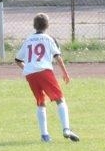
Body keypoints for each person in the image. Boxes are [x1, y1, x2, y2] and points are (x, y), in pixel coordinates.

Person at [15, 13, 80, 142]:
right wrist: (65, 73)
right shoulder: (48, 39)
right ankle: (66, 129)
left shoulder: (28, 40)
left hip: (30, 75)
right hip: (44, 71)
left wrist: (28, 69)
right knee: (60, 99)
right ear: (47, 25)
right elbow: (57, 57)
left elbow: (17, 60)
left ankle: (44, 135)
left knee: (40, 102)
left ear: (34, 25)